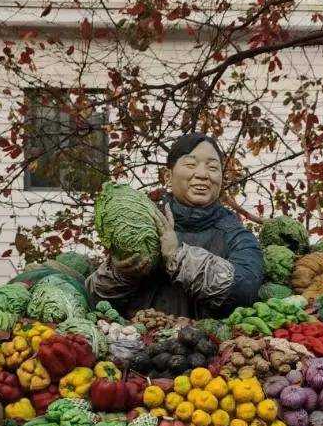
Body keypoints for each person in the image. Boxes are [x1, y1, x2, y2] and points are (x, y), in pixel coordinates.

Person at [88, 133, 264, 319]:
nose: (203, 174)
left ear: (222, 179)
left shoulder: (235, 234)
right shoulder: (143, 227)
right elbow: (97, 300)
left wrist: (178, 256)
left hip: (207, 344)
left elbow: (246, 289)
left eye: (213, 167)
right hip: (137, 342)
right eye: (190, 164)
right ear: (168, 176)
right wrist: (121, 273)